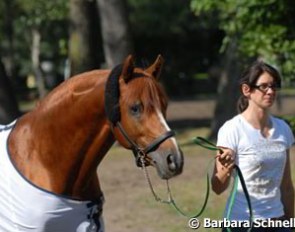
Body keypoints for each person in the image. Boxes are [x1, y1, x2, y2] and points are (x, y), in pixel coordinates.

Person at [211, 61, 295, 232]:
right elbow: (217, 188)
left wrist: (290, 222)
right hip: (242, 223)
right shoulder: (232, 129)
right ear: (246, 90)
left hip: (278, 222)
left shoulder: (283, 129)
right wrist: (226, 169)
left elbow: (286, 185)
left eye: (273, 86)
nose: (271, 91)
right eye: (264, 86)